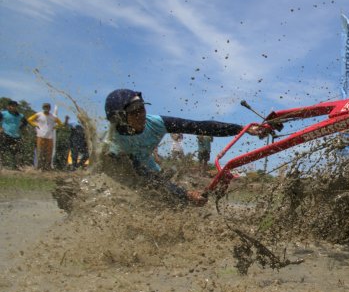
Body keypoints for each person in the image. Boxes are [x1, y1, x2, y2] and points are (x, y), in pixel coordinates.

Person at [102, 88, 271, 206]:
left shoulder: (155, 123)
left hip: (151, 170)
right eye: (134, 112)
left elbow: (198, 126)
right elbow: (144, 178)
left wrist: (242, 129)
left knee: (177, 204)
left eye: (142, 108)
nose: (142, 114)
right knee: (158, 200)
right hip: (125, 180)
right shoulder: (114, 147)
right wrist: (185, 194)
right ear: (120, 118)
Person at [27, 103, 63, 170]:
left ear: (50, 108)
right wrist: (35, 124)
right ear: (43, 108)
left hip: (50, 137)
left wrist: (54, 127)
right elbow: (29, 119)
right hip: (40, 135)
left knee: (49, 153)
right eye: (45, 107)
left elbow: (60, 123)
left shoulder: (53, 116)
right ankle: (38, 167)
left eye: (48, 107)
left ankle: (47, 167)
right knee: (40, 151)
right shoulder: (39, 114)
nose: (46, 108)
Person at [0, 100, 32, 169]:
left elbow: (25, 123)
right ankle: (1, 165)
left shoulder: (20, 115)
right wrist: (0, 128)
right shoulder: (3, 113)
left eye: (15, 106)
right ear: (8, 106)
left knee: (17, 151)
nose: (13, 107)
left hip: (16, 136)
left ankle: (17, 166)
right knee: (2, 150)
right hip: (5, 134)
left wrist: (20, 128)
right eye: (12, 106)